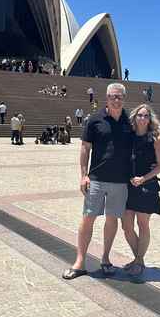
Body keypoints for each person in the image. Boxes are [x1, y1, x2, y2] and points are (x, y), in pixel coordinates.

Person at [62, 83, 132, 280]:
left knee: (112, 220)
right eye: (112, 96)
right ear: (106, 97)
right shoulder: (95, 120)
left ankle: (106, 258)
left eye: (119, 97)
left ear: (124, 98)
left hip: (120, 181)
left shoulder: (130, 122)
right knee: (87, 218)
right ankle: (80, 261)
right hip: (97, 179)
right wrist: (83, 175)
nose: (116, 100)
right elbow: (85, 148)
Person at [121, 104, 160, 278]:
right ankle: (137, 258)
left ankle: (139, 261)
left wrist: (144, 178)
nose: (142, 118)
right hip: (128, 185)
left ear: (150, 118)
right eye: (139, 115)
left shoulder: (157, 137)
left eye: (146, 116)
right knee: (126, 226)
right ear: (134, 117)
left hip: (146, 186)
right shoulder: (129, 136)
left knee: (142, 224)